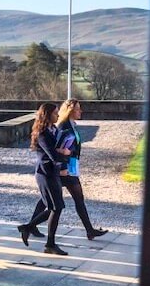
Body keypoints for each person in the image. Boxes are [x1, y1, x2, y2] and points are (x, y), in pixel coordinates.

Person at [28, 99, 108, 241]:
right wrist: (64, 167)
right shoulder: (64, 127)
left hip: (69, 166)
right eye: (77, 109)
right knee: (62, 202)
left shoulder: (70, 125)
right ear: (70, 111)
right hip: (65, 168)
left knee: (50, 200)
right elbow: (57, 150)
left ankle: (31, 226)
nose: (80, 111)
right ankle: (32, 228)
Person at [17, 103, 71, 255]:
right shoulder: (42, 133)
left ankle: (29, 229)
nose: (58, 115)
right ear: (47, 115)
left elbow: (55, 150)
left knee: (55, 207)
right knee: (56, 208)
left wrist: (62, 152)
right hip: (45, 174)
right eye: (55, 113)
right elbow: (53, 155)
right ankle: (48, 243)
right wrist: (65, 154)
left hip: (53, 173)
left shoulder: (53, 130)